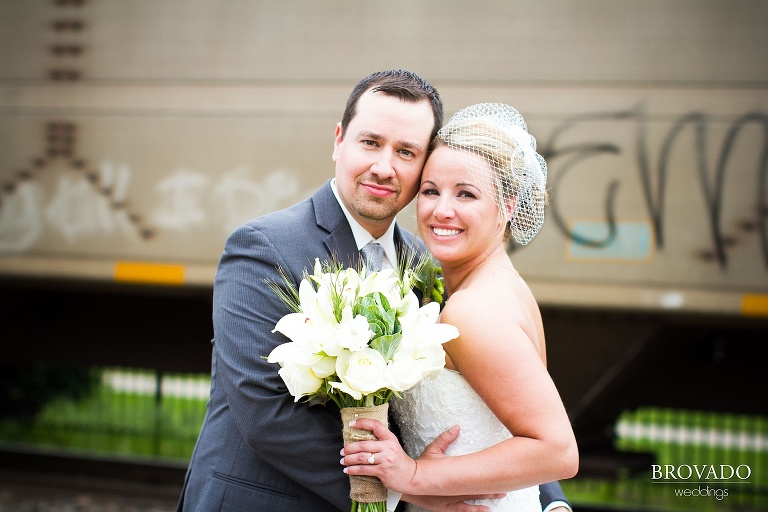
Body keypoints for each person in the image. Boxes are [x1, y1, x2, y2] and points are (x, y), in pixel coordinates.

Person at [177, 70, 571, 511]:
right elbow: (266, 415)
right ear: (339, 140)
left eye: (406, 152)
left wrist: (544, 501)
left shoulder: (428, 263)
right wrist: (406, 492)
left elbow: (502, 400)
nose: (385, 167)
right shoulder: (263, 247)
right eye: (371, 143)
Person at [340, 103, 579, 512]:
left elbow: (557, 451)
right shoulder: (504, 288)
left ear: (508, 205)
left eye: (466, 194)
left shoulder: (471, 311)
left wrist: (414, 477)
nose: (441, 210)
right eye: (431, 190)